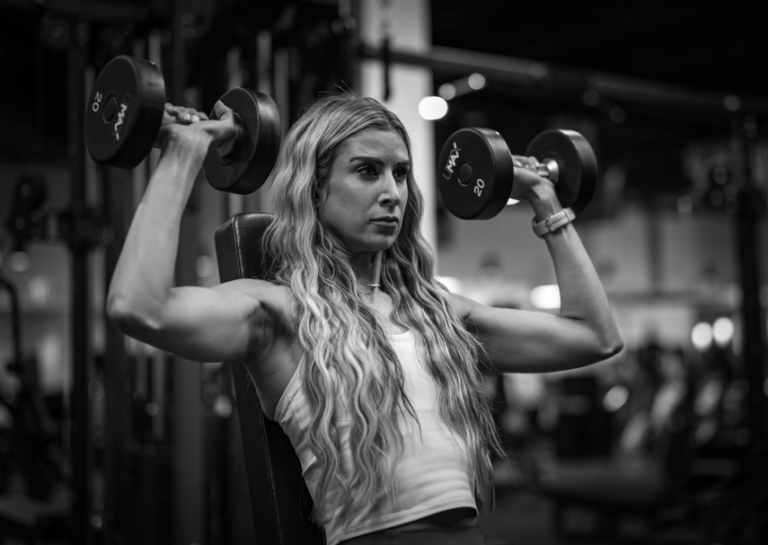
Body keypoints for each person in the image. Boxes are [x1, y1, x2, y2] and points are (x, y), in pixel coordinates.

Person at [107, 93, 623, 545]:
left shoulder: (439, 314)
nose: (393, 192)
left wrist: (545, 198)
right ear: (315, 189)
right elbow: (139, 306)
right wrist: (182, 154)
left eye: (400, 173)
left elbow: (595, 337)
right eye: (367, 171)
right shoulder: (280, 314)